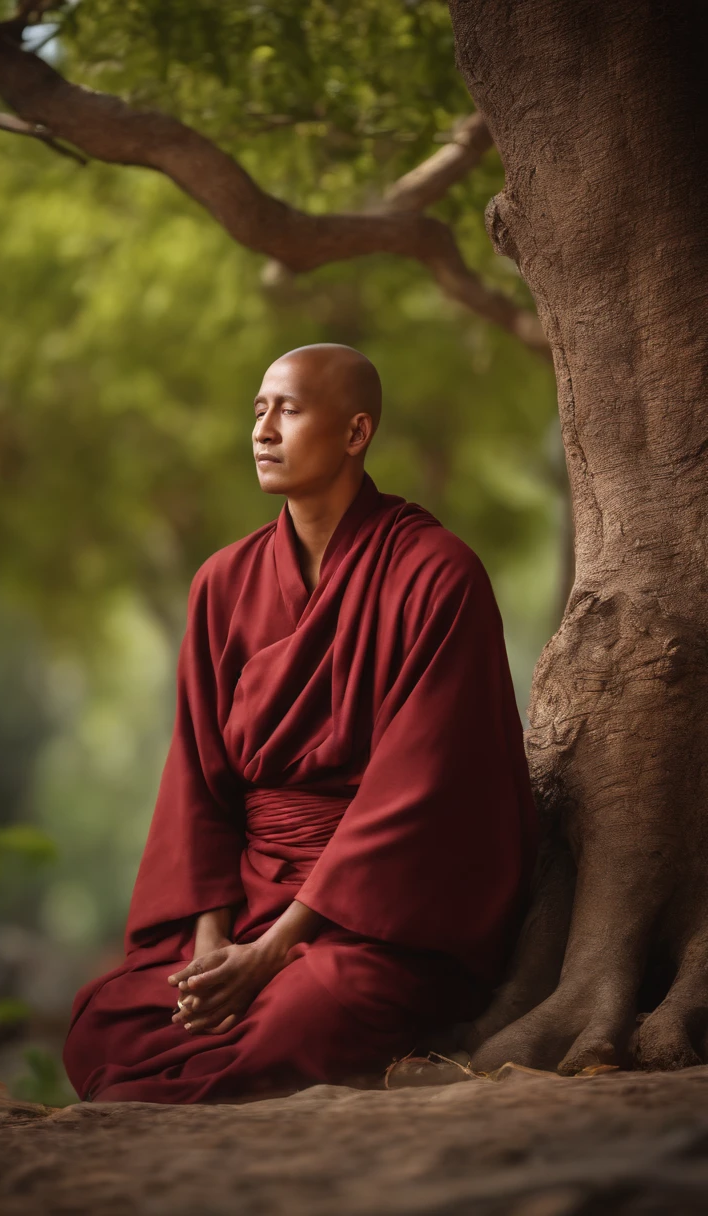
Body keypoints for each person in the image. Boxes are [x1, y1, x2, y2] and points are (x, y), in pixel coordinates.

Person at [62, 343, 538, 1104]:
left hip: (374, 921)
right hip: (247, 899)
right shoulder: (223, 583)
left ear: (356, 433)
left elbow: (418, 794)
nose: (263, 430)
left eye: (288, 410)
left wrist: (277, 950)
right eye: (257, 411)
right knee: (99, 1024)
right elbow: (199, 784)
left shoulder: (438, 576)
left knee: (311, 1014)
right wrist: (215, 945)